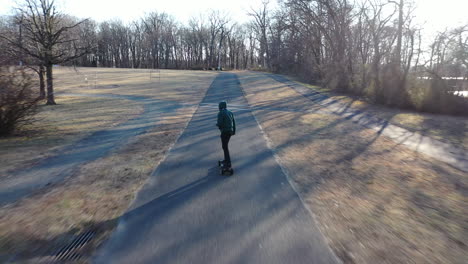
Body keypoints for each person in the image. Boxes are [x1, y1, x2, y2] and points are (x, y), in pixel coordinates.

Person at [216, 101, 236, 168]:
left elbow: (220, 123)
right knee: (225, 146)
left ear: (220, 106)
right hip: (230, 131)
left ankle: (228, 162)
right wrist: (234, 131)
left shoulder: (220, 113)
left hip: (225, 131)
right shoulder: (230, 112)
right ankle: (226, 160)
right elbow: (234, 122)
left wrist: (218, 125)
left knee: (225, 147)